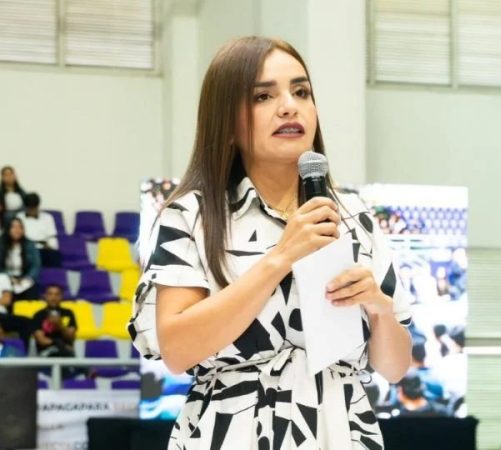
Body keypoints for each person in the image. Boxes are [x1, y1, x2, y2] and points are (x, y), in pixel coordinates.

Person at [129, 36, 413, 449]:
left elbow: (395, 367)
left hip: (340, 430)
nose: (289, 106)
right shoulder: (191, 215)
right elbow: (177, 348)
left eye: (301, 92)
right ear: (226, 124)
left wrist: (379, 308)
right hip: (231, 431)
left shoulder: (354, 215)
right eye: (263, 96)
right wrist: (280, 257)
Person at [0, 217, 41, 302]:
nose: (17, 230)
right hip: (6, 277)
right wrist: (10, 278)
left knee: (30, 288)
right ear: (8, 229)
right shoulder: (1, 244)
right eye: (14, 227)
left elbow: (36, 265)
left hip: (24, 277)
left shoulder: (30, 244)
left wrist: (26, 278)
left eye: (20, 227)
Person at [17, 193, 61, 267]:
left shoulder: (48, 217)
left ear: (38, 206)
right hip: (26, 249)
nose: (32, 211)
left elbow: (52, 236)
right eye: (29, 208)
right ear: (26, 207)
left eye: (34, 208)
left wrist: (51, 246)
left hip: (43, 249)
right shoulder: (19, 217)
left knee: (54, 256)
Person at [32, 284, 77, 357]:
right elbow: (41, 340)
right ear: (45, 296)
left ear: (61, 296)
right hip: (46, 352)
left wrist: (60, 324)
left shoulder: (68, 313)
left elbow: (70, 337)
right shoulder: (38, 315)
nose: (53, 298)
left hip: (66, 354)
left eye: (57, 294)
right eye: (50, 294)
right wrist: (58, 343)